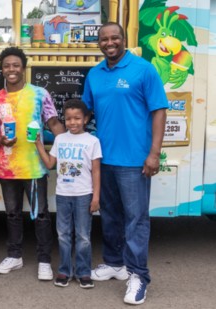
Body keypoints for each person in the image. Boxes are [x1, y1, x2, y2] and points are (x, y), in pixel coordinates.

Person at [82, 22, 167, 305]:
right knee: (110, 216)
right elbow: (84, 113)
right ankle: (115, 263)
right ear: (99, 43)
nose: (109, 43)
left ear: (124, 39)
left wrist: (154, 152)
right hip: (103, 159)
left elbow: (158, 111)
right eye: (104, 39)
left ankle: (138, 275)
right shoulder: (94, 74)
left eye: (114, 38)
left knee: (136, 220)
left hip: (134, 161)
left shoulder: (143, 69)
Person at [0, 46, 64, 280]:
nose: (11, 69)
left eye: (16, 65)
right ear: (2, 69)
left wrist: (69, 143)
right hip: (7, 169)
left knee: (40, 215)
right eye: (7, 65)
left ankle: (44, 260)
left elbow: (54, 122)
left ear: (24, 68)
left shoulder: (39, 94)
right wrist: (0, 140)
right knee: (12, 214)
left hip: (35, 167)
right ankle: (14, 256)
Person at [35, 99, 102, 289]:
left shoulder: (92, 141)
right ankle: (64, 270)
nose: (72, 122)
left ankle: (83, 272)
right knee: (63, 234)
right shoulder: (60, 139)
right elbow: (50, 164)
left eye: (77, 118)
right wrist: (38, 144)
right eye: (68, 118)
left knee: (83, 236)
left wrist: (96, 197)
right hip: (63, 194)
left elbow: (96, 171)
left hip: (84, 195)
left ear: (86, 119)